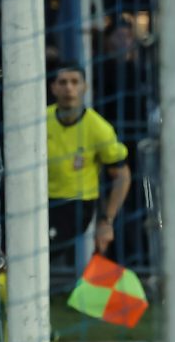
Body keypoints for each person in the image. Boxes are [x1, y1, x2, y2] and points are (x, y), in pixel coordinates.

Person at [47, 63, 131, 280]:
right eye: (63, 82)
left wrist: (106, 221)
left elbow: (122, 175)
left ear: (85, 87)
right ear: (53, 88)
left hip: (75, 205)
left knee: (31, 255)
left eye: (75, 82)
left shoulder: (98, 128)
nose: (69, 88)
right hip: (37, 202)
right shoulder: (40, 122)